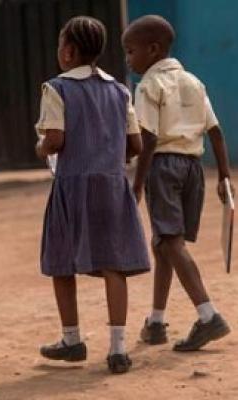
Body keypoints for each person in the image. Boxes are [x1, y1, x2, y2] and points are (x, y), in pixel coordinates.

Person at [35, 16, 150, 374]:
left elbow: (54, 140)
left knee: (61, 261)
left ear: (67, 52)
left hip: (72, 185)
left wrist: (41, 148)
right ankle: (118, 348)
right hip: (112, 185)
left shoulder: (56, 88)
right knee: (112, 263)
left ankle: (72, 339)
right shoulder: (119, 89)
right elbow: (136, 144)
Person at [122, 15, 233, 351]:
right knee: (164, 243)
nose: (128, 59)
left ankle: (208, 315)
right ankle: (155, 322)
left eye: (130, 51)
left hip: (163, 167)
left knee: (170, 242)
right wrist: (224, 176)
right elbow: (215, 131)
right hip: (193, 169)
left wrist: (138, 185)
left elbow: (149, 138)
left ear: (153, 50)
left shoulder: (149, 86)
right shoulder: (193, 82)